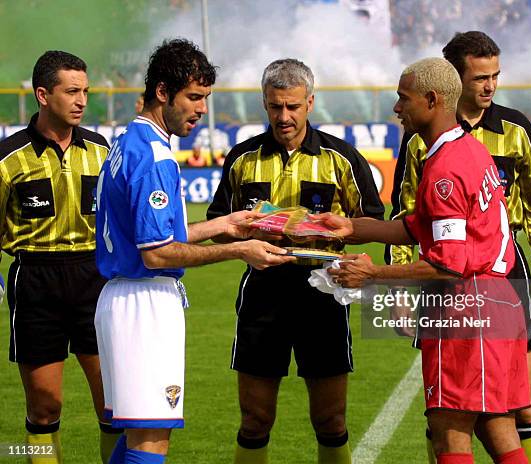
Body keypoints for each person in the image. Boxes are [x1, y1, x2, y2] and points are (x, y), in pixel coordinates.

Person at [320, 57, 530, 464]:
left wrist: (373, 274)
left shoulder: (444, 169)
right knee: (497, 426)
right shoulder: (468, 149)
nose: (397, 108)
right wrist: (350, 227)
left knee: (449, 433)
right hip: (499, 303)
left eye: (404, 98)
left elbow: (447, 265)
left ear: (431, 100)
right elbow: (419, 226)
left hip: (467, 310)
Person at [94, 39, 293, 464]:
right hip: (144, 303)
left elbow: (153, 235)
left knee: (137, 437)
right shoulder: (153, 156)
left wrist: (226, 224)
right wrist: (239, 250)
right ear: (163, 92)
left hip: (122, 299)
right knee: (150, 442)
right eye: (195, 97)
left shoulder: (128, 141)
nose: (202, 109)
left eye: (205, 97)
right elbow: (158, 253)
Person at [387, 31, 531, 464]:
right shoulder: (424, 141)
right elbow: (408, 214)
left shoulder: (510, 130)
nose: (490, 86)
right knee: (468, 413)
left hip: (484, 276)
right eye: (480, 76)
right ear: (453, 81)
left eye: (495, 76)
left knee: (492, 409)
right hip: (460, 278)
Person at [207, 58, 384, 464]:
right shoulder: (243, 158)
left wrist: (328, 230)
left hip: (322, 290)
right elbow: (218, 225)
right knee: (255, 419)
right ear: (264, 104)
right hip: (263, 291)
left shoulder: (341, 158)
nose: (283, 117)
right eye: (274, 107)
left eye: (292, 106)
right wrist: (251, 231)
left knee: (330, 419)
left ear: (310, 102)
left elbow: (373, 220)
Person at [0, 50, 121, 463]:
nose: (82, 100)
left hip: (95, 278)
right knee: (44, 408)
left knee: (113, 405)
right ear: (42, 95)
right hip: (35, 279)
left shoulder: (101, 150)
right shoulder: (8, 158)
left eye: (85, 91)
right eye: (71, 91)